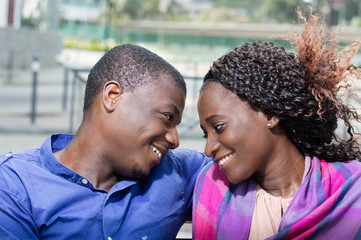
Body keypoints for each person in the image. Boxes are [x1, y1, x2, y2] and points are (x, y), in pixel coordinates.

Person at [0, 44, 211, 239]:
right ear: (112, 96)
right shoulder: (15, 186)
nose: (174, 140)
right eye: (167, 117)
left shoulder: (177, 173)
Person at [193, 9, 361, 240]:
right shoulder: (211, 185)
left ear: (270, 114)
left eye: (219, 127)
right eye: (205, 134)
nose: (208, 148)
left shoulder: (353, 189)